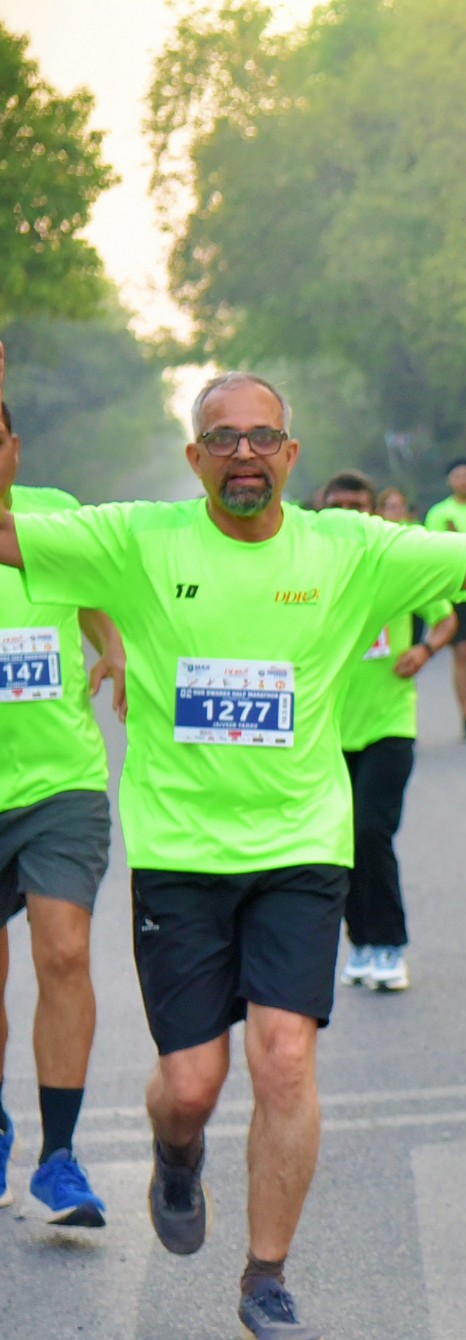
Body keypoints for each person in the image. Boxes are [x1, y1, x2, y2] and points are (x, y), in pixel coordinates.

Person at [0, 348, 466, 1340]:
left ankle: (268, 1280)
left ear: (290, 453)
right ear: (195, 457)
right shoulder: (136, 541)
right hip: (181, 855)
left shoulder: (349, 548)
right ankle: (174, 1151)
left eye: (262, 437)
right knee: (191, 1084)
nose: (243, 453)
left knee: (284, 1057)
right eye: (222, 438)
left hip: (300, 846)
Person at [0, 398, 125, 1227]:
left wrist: (112, 644)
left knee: (65, 951)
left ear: (12, 446)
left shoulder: (54, 515)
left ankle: (59, 1158)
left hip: (61, 784)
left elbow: (91, 593)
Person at [324, 473, 458, 993]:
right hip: (328, 730)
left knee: (371, 832)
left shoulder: (395, 567)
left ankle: (389, 945)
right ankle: (360, 943)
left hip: (389, 724)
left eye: (358, 505)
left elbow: (445, 619)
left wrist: (424, 649)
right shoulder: (312, 572)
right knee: (339, 841)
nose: (349, 514)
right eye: (339, 505)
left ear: (373, 510)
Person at [425, 458, 466, 740]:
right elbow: (433, 552)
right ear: (450, 481)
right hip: (456, 593)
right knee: (461, 652)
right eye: (457, 476)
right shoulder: (439, 513)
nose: (463, 481)